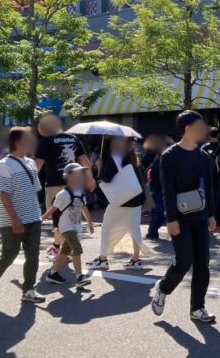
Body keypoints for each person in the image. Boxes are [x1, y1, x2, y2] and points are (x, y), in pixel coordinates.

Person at [151, 110, 218, 323]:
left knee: (202, 263)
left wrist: (212, 215)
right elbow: (167, 190)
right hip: (179, 218)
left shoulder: (204, 157)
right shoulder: (169, 156)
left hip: (200, 217)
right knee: (184, 261)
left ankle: (197, 308)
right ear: (188, 128)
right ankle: (163, 288)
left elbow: (209, 189)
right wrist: (170, 219)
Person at [0, 127, 46, 304]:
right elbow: (3, 194)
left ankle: (29, 289)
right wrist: (14, 220)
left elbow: (34, 190)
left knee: (33, 256)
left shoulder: (30, 163)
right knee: (8, 255)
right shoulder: (3, 165)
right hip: (13, 220)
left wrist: (39, 214)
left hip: (34, 217)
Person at [34, 114, 94, 260]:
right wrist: (90, 179)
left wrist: (27, 182)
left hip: (55, 184)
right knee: (70, 219)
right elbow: (84, 161)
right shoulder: (73, 138)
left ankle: (66, 252)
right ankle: (57, 246)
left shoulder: (46, 141)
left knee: (58, 220)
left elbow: (37, 165)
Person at [86, 136, 147, 271]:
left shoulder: (114, 159)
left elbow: (106, 179)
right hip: (136, 199)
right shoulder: (134, 159)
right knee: (134, 230)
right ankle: (136, 260)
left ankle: (103, 259)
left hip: (120, 201)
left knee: (107, 228)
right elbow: (143, 180)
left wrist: (100, 167)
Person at [43, 163, 94, 287]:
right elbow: (53, 208)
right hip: (65, 227)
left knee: (65, 251)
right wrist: (42, 218)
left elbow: (83, 207)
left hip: (75, 226)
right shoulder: (63, 194)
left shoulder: (80, 192)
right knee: (76, 249)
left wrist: (90, 223)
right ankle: (79, 277)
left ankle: (53, 274)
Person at [144, 134, 168, 240]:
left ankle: (152, 232)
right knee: (159, 211)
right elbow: (152, 171)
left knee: (159, 211)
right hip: (157, 188)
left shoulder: (161, 155)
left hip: (159, 188)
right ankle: (152, 232)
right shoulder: (159, 156)